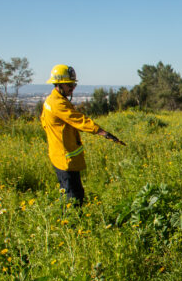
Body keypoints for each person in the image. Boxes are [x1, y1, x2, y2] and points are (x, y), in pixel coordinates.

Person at [40, 64, 125, 207]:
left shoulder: (51, 100)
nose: (72, 88)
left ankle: (70, 221)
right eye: (69, 85)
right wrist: (103, 132)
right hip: (64, 158)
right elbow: (79, 120)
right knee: (73, 197)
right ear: (59, 84)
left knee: (73, 192)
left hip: (60, 155)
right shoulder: (57, 103)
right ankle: (71, 225)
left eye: (73, 84)